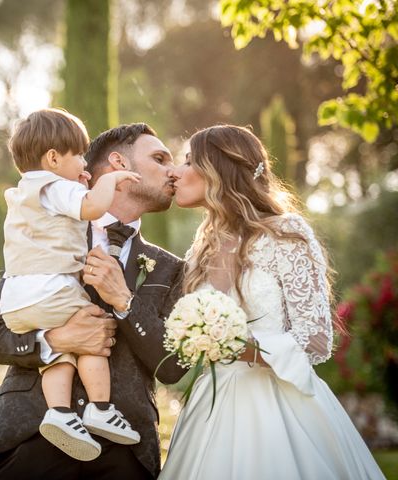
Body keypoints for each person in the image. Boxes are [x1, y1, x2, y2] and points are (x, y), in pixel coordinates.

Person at [159, 124, 385, 480]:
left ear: (217, 169)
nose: (175, 170)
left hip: (280, 404)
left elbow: (315, 338)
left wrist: (242, 346)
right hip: (212, 405)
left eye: (189, 160)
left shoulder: (285, 233)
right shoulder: (200, 248)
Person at [0, 123, 186, 480]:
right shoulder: (43, 230)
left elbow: (172, 368)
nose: (172, 171)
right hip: (30, 436)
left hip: (124, 454)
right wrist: (54, 342)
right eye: (160, 158)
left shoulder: (170, 269)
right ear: (119, 164)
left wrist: (125, 301)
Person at [0, 108, 143, 461]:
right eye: (78, 155)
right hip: (52, 287)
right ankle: (100, 408)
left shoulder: (24, 194)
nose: (83, 162)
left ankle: (60, 414)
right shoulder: (56, 185)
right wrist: (109, 180)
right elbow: (92, 207)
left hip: (16, 300)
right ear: (52, 158)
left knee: (59, 355)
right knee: (92, 333)